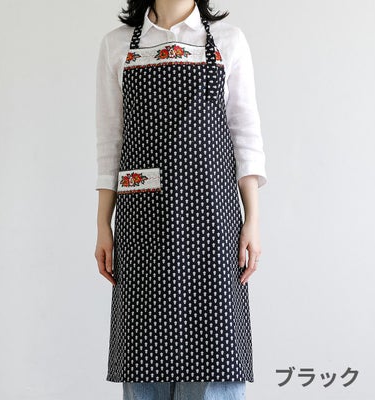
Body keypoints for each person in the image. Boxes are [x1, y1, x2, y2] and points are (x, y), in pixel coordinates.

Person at [94, 0, 267, 399]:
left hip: (213, 223)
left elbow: (246, 138)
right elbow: (110, 142)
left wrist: (253, 220)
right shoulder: (117, 45)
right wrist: (103, 223)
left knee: (216, 353)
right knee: (143, 355)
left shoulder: (228, 41)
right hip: (143, 225)